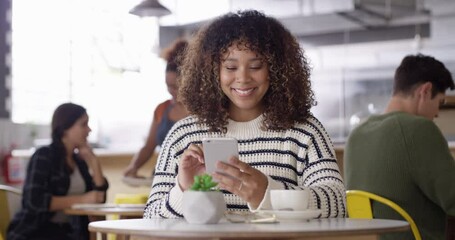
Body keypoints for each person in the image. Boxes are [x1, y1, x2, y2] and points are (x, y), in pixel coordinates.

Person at [144, 10, 346, 219]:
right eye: (230, 67)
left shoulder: (305, 131)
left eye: (256, 66)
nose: (243, 78)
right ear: (213, 71)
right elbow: (151, 218)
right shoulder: (183, 135)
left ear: (275, 69)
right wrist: (184, 189)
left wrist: (268, 194)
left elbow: (337, 203)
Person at [344, 54, 455, 240]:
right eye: (440, 102)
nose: (437, 113)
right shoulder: (420, 130)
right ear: (425, 91)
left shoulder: (356, 135)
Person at [7, 103, 109, 240]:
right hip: (36, 231)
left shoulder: (79, 162)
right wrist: (82, 199)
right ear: (65, 128)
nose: (89, 130)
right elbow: (34, 201)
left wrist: (94, 162)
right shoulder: (43, 155)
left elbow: (98, 198)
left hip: (69, 232)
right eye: (83, 124)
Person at [123, 38, 189, 178]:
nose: (171, 91)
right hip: (161, 178)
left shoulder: (204, 111)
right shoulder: (162, 109)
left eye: (176, 87)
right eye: (168, 85)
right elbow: (148, 147)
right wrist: (133, 167)